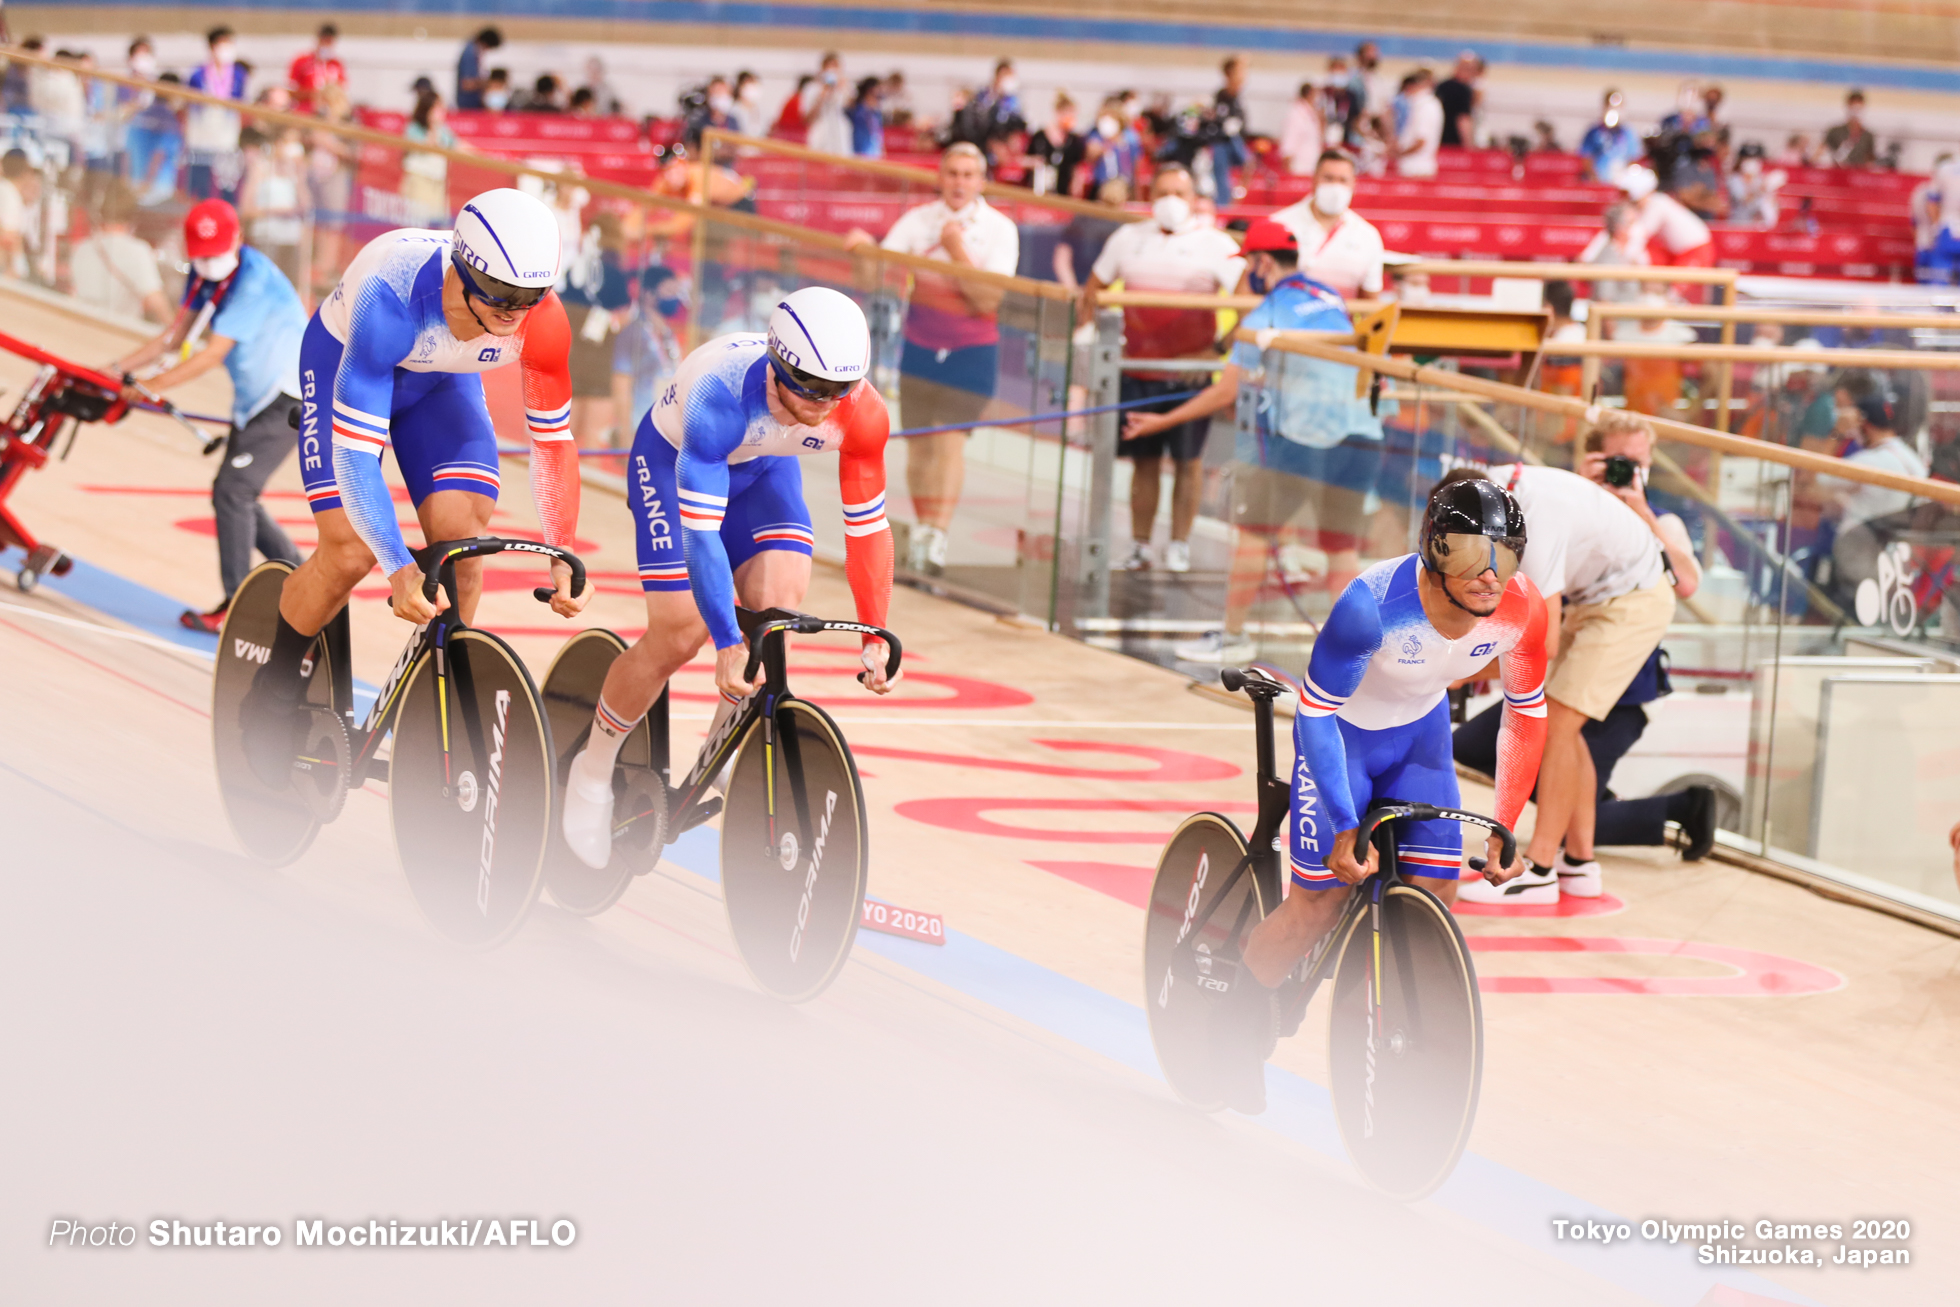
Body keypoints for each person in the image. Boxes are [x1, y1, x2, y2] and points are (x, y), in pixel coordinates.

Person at [1210, 477, 1548, 1112]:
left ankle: (1391, 1025)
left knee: (1438, 892)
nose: (1489, 575)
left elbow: (1526, 714)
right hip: (1344, 737)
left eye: (1505, 557)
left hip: (1419, 737)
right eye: (1473, 556)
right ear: (1436, 553)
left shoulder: (1522, 610)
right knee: (1319, 903)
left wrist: (1505, 825)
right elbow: (1314, 714)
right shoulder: (1371, 605)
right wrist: (1343, 820)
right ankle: (1230, 1033)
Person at [237, 188, 587, 781]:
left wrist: (563, 546)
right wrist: (398, 567)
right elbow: (353, 458)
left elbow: (552, 441)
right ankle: (271, 688)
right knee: (348, 551)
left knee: (463, 548)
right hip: (347, 361)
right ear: (464, 269)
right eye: (501, 296)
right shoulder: (392, 297)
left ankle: (434, 705)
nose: (513, 312)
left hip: (441, 385)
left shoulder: (542, 320)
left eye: (529, 297)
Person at [558, 288, 897, 868]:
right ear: (777, 366)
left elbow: (868, 530)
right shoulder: (720, 393)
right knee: (680, 631)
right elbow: (700, 536)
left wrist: (874, 632)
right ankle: (591, 773)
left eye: (836, 391)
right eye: (808, 388)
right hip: (673, 465)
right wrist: (722, 640)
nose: (822, 405)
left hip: (764, 472)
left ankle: (711, 765)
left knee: (778, 613)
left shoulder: (861, 409)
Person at [1108, 221, 1382, 663]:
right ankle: (1348, 656)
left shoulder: (1265, 316)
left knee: (1254, 535)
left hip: (1306, 437)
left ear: (1262, 263)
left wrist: (1160, 421)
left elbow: (1223, 391)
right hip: (1364, 435)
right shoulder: (1330, 297)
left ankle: (1232, 636)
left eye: (1247, 265)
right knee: (1340, 547)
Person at [1447, 457, 1676, 905]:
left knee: (1554, 724)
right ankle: (1580, 862)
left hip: (1631, 599)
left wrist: (1461, 671)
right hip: (1602, 595)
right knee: (1565, 729)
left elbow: (1542, 645)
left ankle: (1540, 868)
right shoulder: (1497, 488)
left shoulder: (1535, 518)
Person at [109, 199, 308, 629]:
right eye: (200, 257)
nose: (207, 264)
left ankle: (238, 606)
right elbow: (173, 337)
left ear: (237, 240)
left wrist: (144, 389)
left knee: (233, 491)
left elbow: (211, 354)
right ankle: (303, 578)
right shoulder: (206, 276)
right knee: (234, 493)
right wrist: (113, 371)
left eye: (215, 254)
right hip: (254, 401)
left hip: (288, 398)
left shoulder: (254, 280)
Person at [842, 142, 1019, 576]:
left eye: (968, 174)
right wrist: (863, 251)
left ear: (981, 181)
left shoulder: (999, 229)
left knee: (949, 443)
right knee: (919, 448)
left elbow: (987, 299)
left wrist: (957, 250)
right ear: (941, 177)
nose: (959, 182)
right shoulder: (917, 222)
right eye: (952, 173)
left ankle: (938, 534)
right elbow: (876, 280)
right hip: (920, 344)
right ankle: (922, 529)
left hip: (972, 349)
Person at [1080, 162, 1244, 574]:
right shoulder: (1127, 238)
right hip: (1137, 370)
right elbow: (1092, 291)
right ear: (1150, 196)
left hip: (1190, 376)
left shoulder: (1215, 244)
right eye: (1162, 192)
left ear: (1193, 199)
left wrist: (1216, 351)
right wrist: (1097, 338)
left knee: (1188, 462)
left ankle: (1179, 544)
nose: (1171, 200)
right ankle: (1139, 545)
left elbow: (1249, 302)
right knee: (1144, 462)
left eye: (1179, 192)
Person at [1819, 391, 1929, 601]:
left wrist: (1836, 433)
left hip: (1860, 556)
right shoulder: (1913, 459)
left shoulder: (1870, 461)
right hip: (1898, 559)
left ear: (1864, 424)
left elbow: (1817, 477)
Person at [1269, 149, 1385, 301]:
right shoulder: (1278, 224)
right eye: (1328, 178)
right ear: (1314, 180)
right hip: (1286, 322)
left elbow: (1371, 303)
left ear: (1353, 184)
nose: (1335, 187)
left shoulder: (1368, 236)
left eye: (1343, 180)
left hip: (1340, 323)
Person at [71, 180, 169, 324]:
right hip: (119, 334)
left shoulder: (82, 248)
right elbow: (156, 302)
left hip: (82, 328)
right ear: (132, 217)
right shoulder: (137, 251)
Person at [610, 263, 685, 439]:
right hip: (640, 425)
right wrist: (625, 434)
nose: (674, 297)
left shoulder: (668, 334)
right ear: (649, 294)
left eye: (676, 291)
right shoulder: (634, 333)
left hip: (665, 427)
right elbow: (622, 384)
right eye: (668, 291)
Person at [236, 126, 311, 291]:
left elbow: (306, 207)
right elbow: (246, 209)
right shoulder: (260, 169)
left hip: (291, 241)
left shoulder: (294, 172)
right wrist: (274, 212)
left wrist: (299, 175)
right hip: (267, 239)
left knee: (289, 289)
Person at [1618, 163, 1714, 292]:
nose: (1623, 198)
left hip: (1696, 251)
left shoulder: (1657, 203)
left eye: (1625, 193)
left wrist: (1622, 259)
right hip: (1677, 253)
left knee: (1673, 296)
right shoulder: (1647, 206)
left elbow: (1639, 235)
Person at [185, 27, 247, 203]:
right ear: (212, 47)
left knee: (226, 185)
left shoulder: (238, 75)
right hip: (202, 137)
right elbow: (190, 107)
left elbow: (240, 106)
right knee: (200, 186)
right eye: (223, 44)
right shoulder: (197, 74)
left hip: (226, 138)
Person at [401, 88, 461, 227]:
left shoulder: (444, 130)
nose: (442, 111)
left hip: (438, 184)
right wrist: (433, 125)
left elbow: (458, 145)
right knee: (416, 227)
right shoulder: (414, 128)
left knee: (439, 228)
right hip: (419, 181)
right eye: (438, 107)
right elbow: (428, 144)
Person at [1208, 55, 1251, 202]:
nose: (1244, 76)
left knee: (1249, 163)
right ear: (1229, 74)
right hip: (1223, 144)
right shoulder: (1221, 97)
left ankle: (1236, 198)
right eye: (1240, 71)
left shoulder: (1237, 98)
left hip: (1236, 142)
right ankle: (1224, 203)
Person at [1026, 93, 1086, 198]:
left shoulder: (1074, 140)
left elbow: (1077, 166)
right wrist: (1034, 162)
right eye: (1069, 114)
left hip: (1063, 193)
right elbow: (1024, 158)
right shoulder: (1040, 137)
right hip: (1040, 190)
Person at [1578, 90, 1642, 186]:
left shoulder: (1628, 133)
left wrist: (1625, 178)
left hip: (1621, 183)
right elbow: (1586, 157)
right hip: (1598, 181)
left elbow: (1633, 158)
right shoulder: (1594, 131)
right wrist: (1594, 177)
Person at [0, 149, 41, 279]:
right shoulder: (10, 195)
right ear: (26, 171)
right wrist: (15, 268)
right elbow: (8, 236)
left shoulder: (6, 191)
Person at [287, 24, 345, 115]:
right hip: (306, 111)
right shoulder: (302, 62)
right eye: (324, 40)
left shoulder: (336, 64)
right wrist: (313, 94)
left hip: (331, 112)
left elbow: (341, 90)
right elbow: (291, 91)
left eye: (329, 41)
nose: (326, 44)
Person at [801, 54, 852, 156]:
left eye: (836, 67)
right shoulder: (812, 89)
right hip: (821, 136)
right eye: (830, 67)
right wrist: (822, 96)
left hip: (840, 138)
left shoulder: (844, 88)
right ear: (822, 69)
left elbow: (852, 108)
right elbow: (807, 118)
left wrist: (842, 88)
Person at [1395, 69, 1443, 179]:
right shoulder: (1425, 105)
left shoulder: (1425, 106)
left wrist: (1399, 154)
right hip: (1416, 165)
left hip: (1416, 168)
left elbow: (1421, 141)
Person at [1727, 142, 1784, 224]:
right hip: (1740, 222)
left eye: (1756, 159)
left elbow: (1771, 202)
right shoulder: (1735, 179)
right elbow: (1743, 200)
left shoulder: (1760, 178)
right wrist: (1759, 190)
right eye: (1749, 158)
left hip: (1759, 223)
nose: (1753, 162)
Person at [1435, 50, 1481, 149]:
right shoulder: (1463, 90)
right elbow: (1463, 119)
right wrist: (1469, 145)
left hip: (1437, 140)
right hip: (1453, 144)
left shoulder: (1441, 86)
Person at [1278, 81, 1324, 177]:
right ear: (1310, 94)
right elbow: (1289, 142)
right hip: (1298, 169)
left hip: (1310, 168)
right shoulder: (1296, 114)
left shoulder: (1311, 113)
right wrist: (1287, 170)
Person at [1823, 90, 1876, 168]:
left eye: (1858, 107)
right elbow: (1823, 152)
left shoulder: (1868, 136)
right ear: (1848, 107)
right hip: (1838, 174)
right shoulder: (1835, 131)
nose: (1856, 111)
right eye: (1853, 107)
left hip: (1858, 175)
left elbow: (1870, 161)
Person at [455, 27, 502, 111]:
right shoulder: (470, 54)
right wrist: (489, 83)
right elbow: (466, 83)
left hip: (472, 103)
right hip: (468, 105)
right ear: (485, 43)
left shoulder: (473, 52)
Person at [848, 76, 885, 159]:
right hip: (859, 152)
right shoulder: (856, 110)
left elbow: (878, 134)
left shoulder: (877, 112)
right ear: (870, 90)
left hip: (875, 152)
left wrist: (881, 150)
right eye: (879, 89)